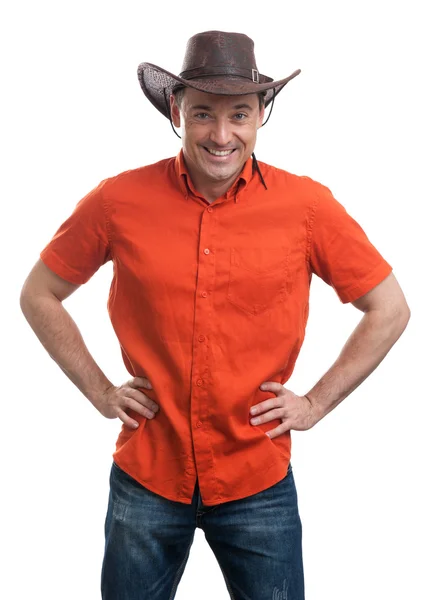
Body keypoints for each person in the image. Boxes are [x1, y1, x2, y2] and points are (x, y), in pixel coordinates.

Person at [20, 30, 410, 600]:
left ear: (261, 116)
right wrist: (101, 392)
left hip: (258, 479)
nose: (221, 135)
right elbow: (39, 294)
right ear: (177, 111)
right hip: (147, 475)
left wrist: (316, 404)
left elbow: (389, 309)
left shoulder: (306, 208)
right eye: (203, 113)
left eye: (239, 115)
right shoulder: (117, 201)